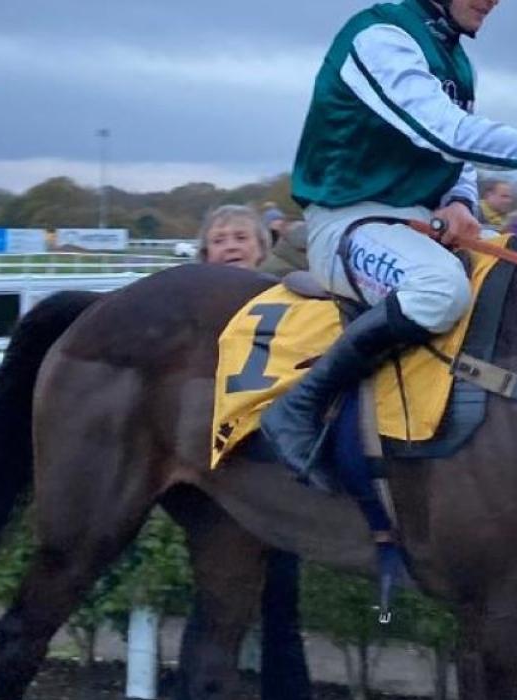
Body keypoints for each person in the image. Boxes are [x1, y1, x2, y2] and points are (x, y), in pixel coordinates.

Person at [269, 0, 517, 477]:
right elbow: (448, 134)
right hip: (348, 222)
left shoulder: (451, 57)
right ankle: (300, 406)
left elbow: (456, 157)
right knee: (439, 290)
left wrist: (462, 202)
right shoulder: (380, 37)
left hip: (418, 222)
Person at [196, 203, 312, 700]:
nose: (231, 247)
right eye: (220, 239)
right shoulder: (188, 315)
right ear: (204, 254)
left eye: (241, 238)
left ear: (263, 250)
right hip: (212, 480)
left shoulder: (287, 304)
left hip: (271, 479)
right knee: (213, 605)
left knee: (280, 604)